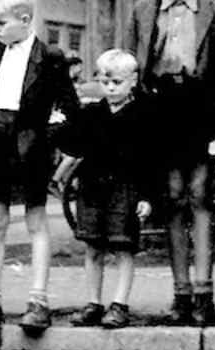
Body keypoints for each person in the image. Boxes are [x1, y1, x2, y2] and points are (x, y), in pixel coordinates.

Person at [123, 0, 215, 327]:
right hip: (160, 107)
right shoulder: (143, 9)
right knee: (171, 198)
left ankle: (205, 293)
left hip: (201, 107)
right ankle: (181, 293)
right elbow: (132, 62)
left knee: (201, 196)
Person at [0, 0, 79, 331]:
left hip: (30, 141)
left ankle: (38, 299)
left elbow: (68, 107)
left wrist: (46, 136)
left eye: (1, 23)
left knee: (35, 220)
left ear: (24, 19)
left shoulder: (50, 57)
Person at [53, 50, 155, 329]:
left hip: (127, 189)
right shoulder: (91, 113)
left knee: (124, 247)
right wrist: (60, 125)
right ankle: (93, 302)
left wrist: (147, 196)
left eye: (117, 82)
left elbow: (149, 160)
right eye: (105, 82)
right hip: (92, 188)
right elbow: (74, 145)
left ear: (133, 81)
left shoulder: (142, 115)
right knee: (93, 247)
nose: (110, 88)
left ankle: (119, 304)